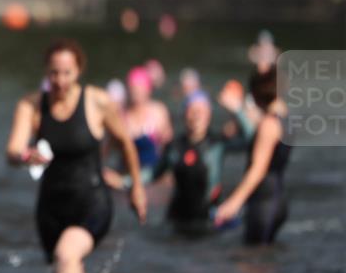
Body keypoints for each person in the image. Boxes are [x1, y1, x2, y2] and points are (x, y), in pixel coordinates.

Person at [6, 38, 146, 273]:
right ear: (46, 71)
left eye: (67, 73)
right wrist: (27, 155)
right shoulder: (32, 105)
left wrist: (136, 188)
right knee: (63, 271)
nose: (60, 80)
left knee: (66, 255)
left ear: (79, 70)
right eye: (54, 73)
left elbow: (126, 143)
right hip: (50, 209)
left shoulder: (97, 102)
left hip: (92, 202)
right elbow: (12, 151)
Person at [106, 90, 247, 235]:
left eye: (201, 110)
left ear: (209, 114)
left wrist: (237, 110)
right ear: (185, 114)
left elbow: (251, 140)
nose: (197, 115)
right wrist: (124, 181)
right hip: (178, 219)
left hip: (209, 219)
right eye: (192, 110)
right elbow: (153, 173)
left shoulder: (218, 144)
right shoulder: (174, 147)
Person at [215, 68, 292, 244]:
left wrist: (234, 203)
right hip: (278, 199)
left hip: (263, 203)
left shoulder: (268, 125)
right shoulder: (286, 120)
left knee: (251, 264)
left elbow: (258, 169)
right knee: (265, 261)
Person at [123, 65, 174, 181]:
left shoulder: (159, 111)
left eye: (139, 89)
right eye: (133, 89)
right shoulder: (121, 116)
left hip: (154, 172)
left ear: (148, 90)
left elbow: (169, 146)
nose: (136, 93)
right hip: (128, 174)